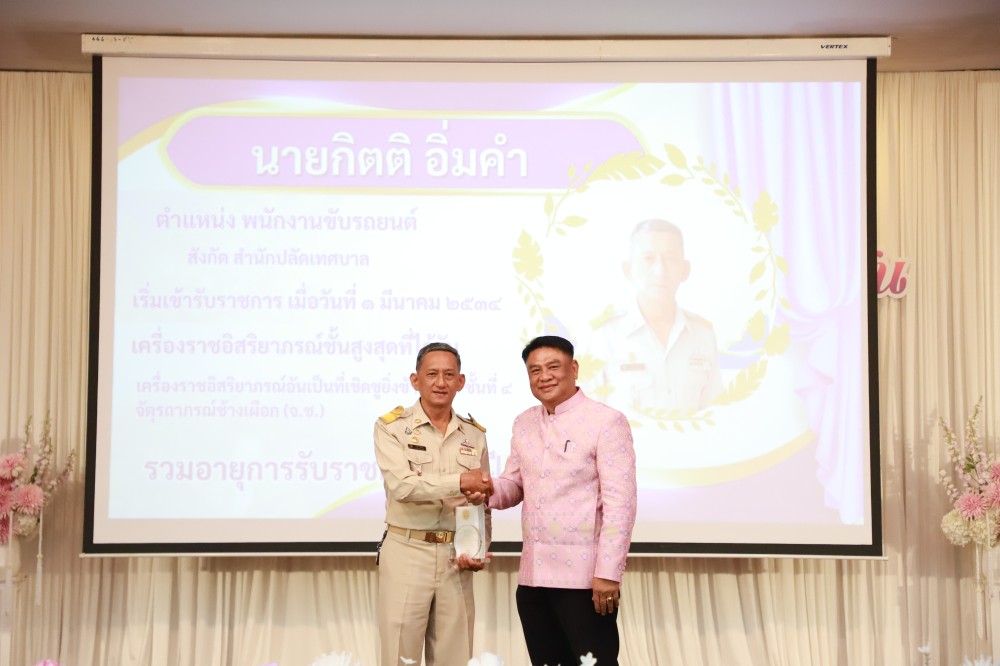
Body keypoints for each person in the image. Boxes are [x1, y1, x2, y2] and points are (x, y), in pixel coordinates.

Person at [489, 335, 637, 666]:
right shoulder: (524, 422)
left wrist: (608, 573)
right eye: (534, 370)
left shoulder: (606, 421)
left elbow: (621, 507)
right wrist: (485, 489)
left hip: (586, 582)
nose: (544, 376)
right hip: (533, 580)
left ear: (574, 369)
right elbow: (514, 485)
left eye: (553, 367)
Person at [373, 341, 493, 666]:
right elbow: (403, 486)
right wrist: (460, 481)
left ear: (460, 381)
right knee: (400, 656)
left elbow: (480, 500)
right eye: (432, 374)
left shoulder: (474, 434)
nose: (441, 382)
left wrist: (478, 548)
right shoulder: (391, 427)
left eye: (449, 375)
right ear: (416, 380)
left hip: (456, 556)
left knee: (455, 657)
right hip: (407, 550)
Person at [587, 218, 722, 412]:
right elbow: (581, 419)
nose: (660, 271)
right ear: (628, 270)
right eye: (648, 259)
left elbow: (715, 415)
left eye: (670, 259)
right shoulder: (604, 337)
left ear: (685, 270)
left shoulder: (702, 335)